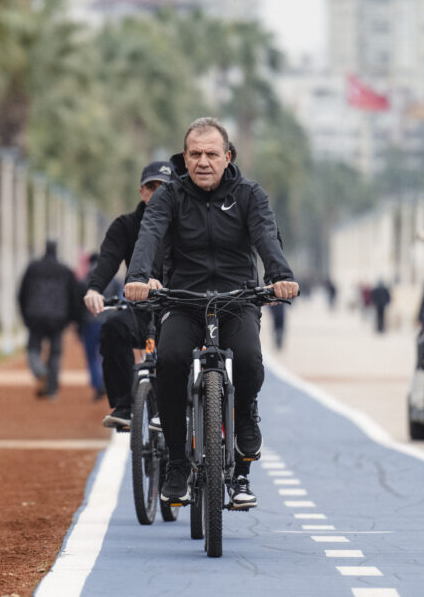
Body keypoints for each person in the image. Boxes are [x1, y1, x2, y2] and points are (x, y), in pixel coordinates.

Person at [125, 117, 299, 510]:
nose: (203, 162)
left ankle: (242, 455)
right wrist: (139, 278)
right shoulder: (169, 197)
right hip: (182, 300)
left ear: (228, 156)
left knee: (250, 361)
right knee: (168, 363)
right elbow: (149, 235)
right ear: (184, 158)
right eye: (195, 154)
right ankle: (176, 463)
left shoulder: (250, 195)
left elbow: (266, 238)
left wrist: (280, 277)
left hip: (237, 299)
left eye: (212, 154)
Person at [83, 161, 172, 428]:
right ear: (141, 191)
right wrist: (94, 289)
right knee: (113, 327)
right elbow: (108, 260)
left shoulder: (187, 225)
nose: (157, 193)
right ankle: (124, 407)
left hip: (178, 311)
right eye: (151, 187)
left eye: (164, 188)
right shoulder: (125, 226)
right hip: (140, 311)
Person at [18, 240, 78, 400]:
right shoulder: (65, 270)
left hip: (35, 316)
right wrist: (72, 318)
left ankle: (40, 372)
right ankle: (52, 390)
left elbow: (22, 293)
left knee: (33, 349)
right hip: (59, 318)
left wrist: (25, 315)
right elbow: (74, 296)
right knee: (55, 354)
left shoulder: (33, 268)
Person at [77, 253, 120, 402]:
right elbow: (120, 301)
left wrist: (78, 325)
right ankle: (106, 382)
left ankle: (97, 384)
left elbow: (78, 306)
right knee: (106, 355)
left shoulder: (85, 281)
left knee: (91, 356)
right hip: (109, 321)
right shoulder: (114, 280)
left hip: (90, 322)